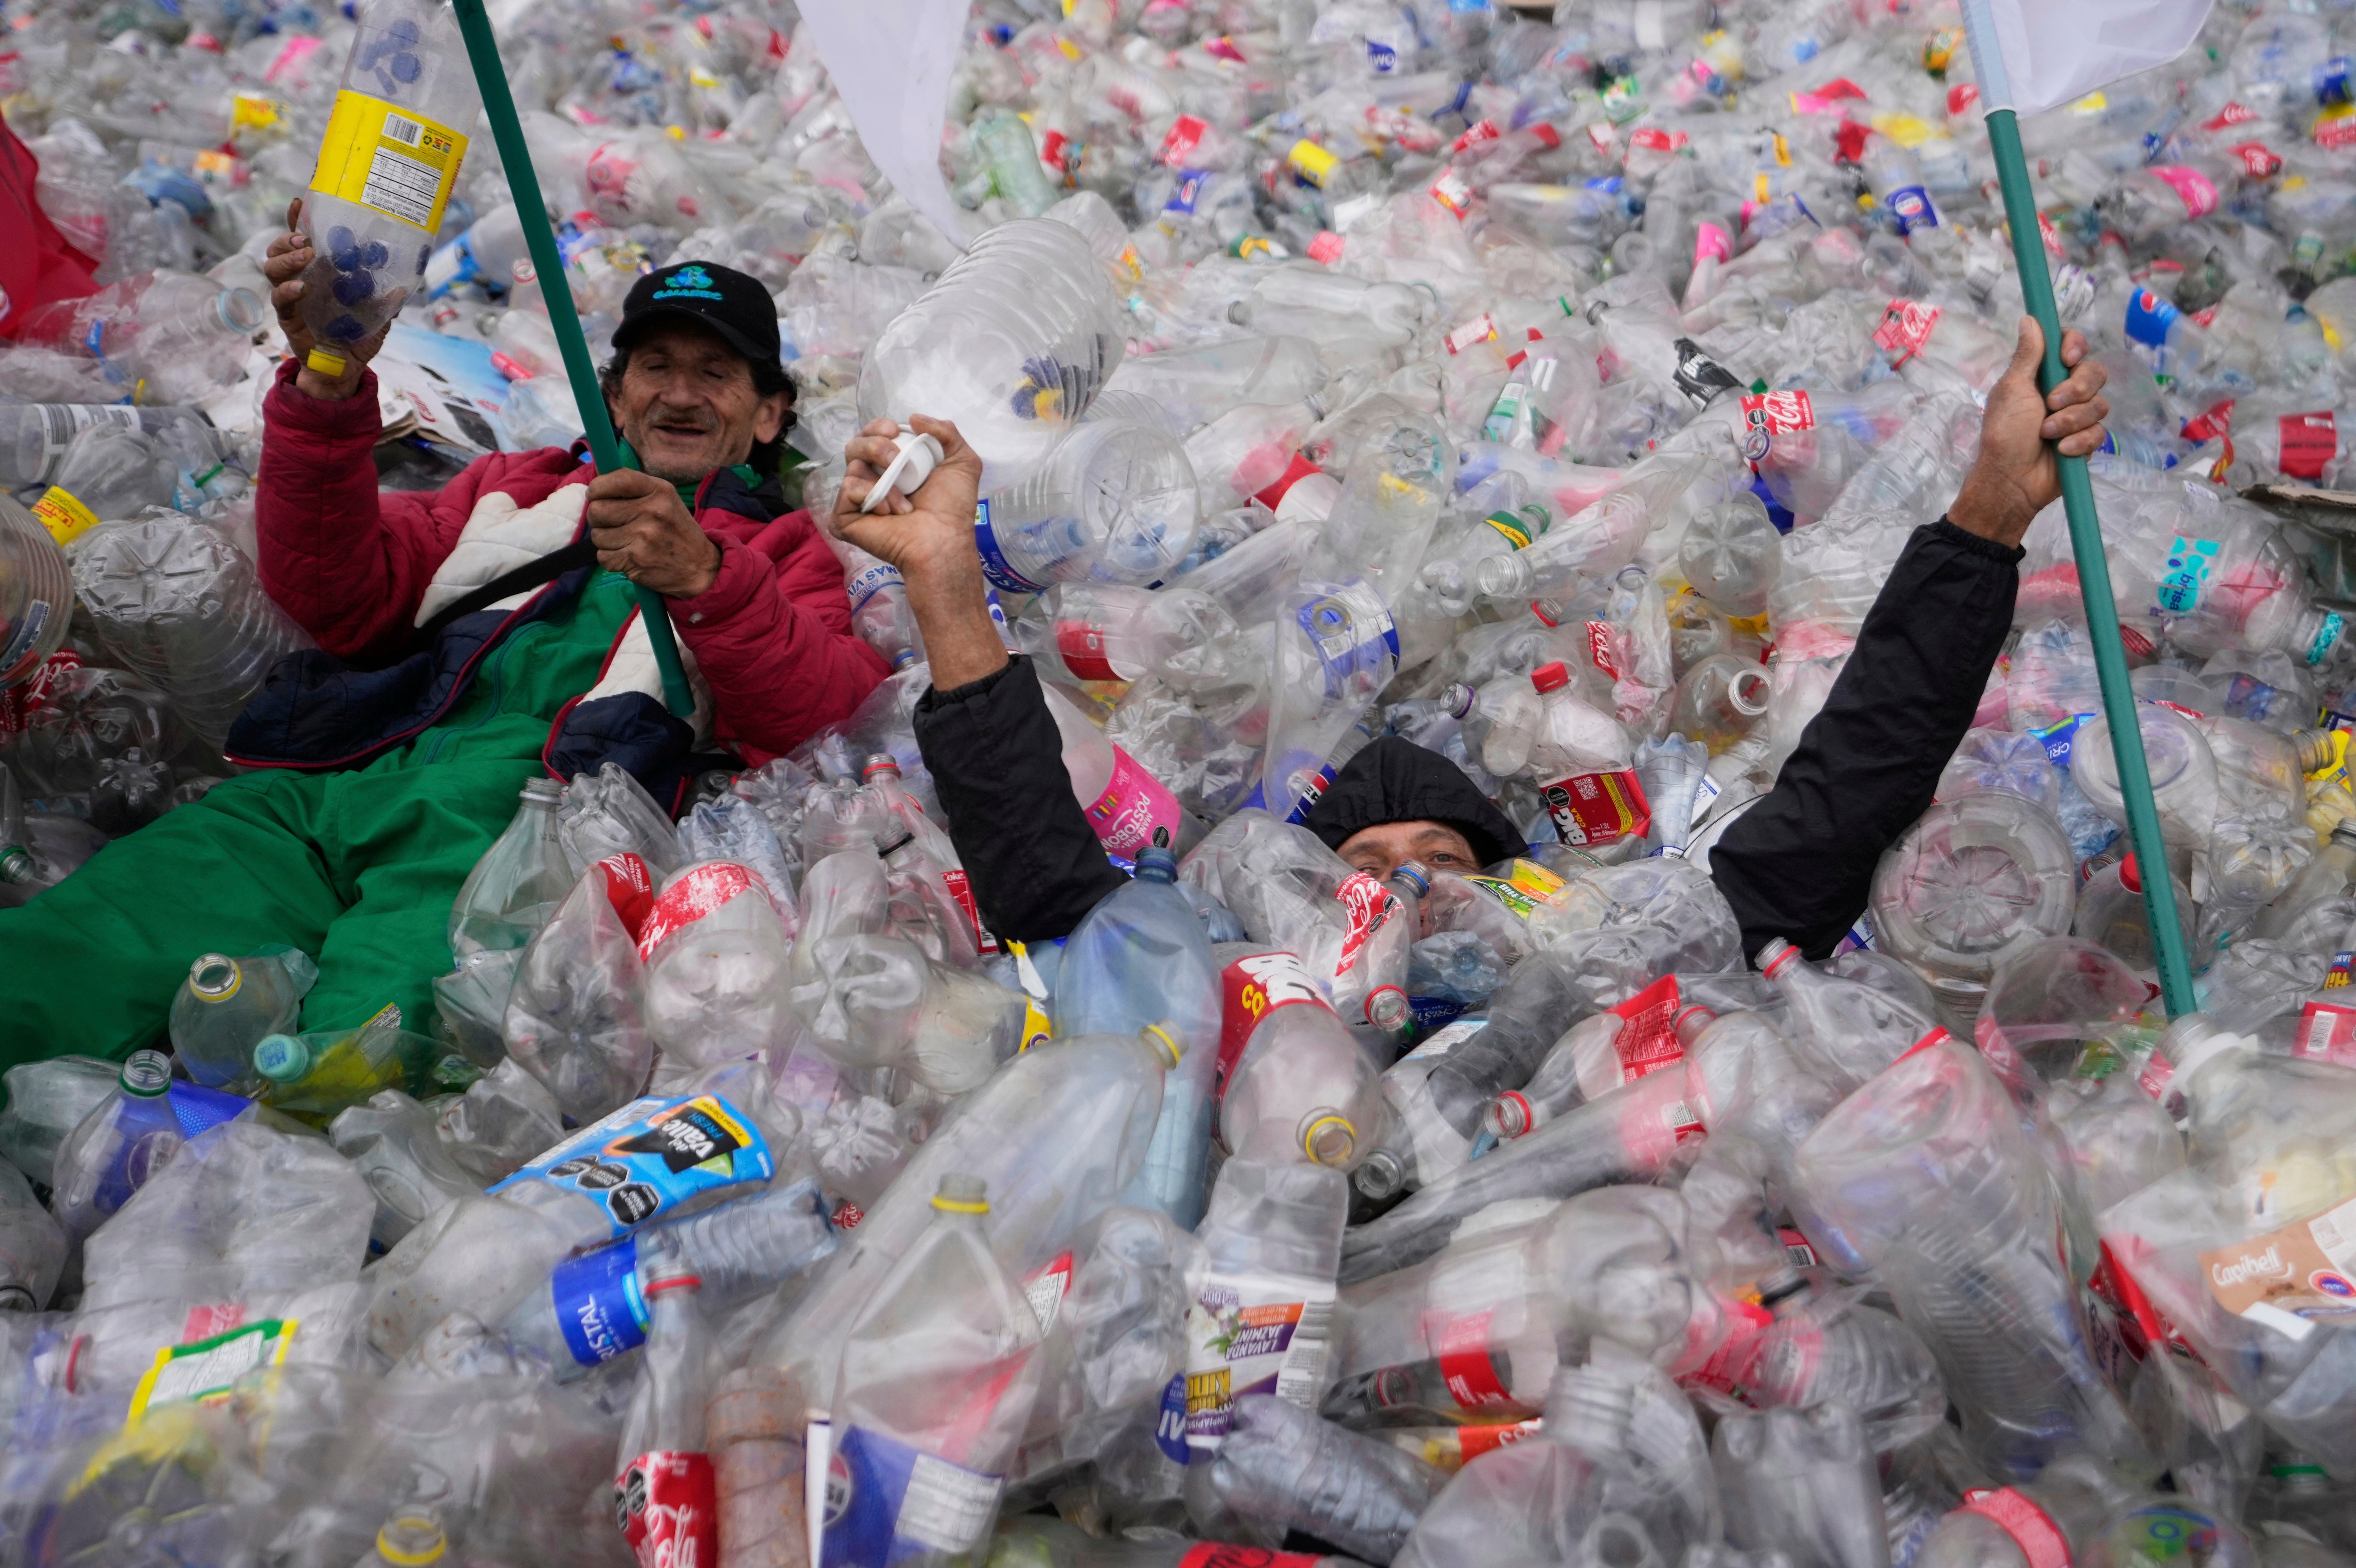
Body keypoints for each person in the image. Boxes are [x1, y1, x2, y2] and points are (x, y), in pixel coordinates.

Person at [829, 317, 2110, 963]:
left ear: (1518, 881)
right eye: (1364, 866)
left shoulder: (1605, 971)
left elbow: (1844, 798)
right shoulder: (1242, 1008)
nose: (1397, 883)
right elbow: (1047, 890)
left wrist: (1989, 514)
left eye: (1438, 854)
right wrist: (946, 579)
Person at [0, 228, 887, 1062]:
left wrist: (707, 580)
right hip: (335, 787)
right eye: (656, 366)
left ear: (769, 416)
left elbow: (819, 719)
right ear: (613, 396)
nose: (682, 393)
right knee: (56, 961)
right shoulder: (512, 487)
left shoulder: (784, 554)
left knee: (355, 1067)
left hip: (510, 848)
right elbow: (335, 593)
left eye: (717, 373)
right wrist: (328, 386)